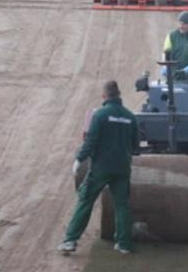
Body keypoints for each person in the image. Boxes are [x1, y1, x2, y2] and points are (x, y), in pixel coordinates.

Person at [58, 80, 138, 254]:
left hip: (101, 167)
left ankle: (70, 240)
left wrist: (79, 159)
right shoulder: (131, 117)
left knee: (86, 200)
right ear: (119, 95)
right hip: (123, 168)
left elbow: (91, 141)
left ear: (104, 96)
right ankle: (123, 244)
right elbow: (136, 145)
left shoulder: (100, 115)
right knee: (122, 204)